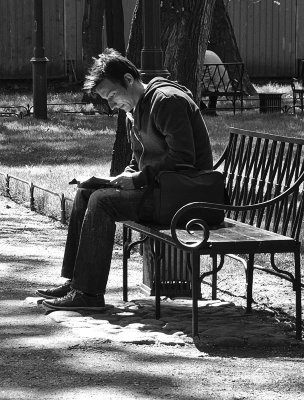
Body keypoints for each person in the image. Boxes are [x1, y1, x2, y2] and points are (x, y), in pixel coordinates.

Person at [37, 48, 214, 311]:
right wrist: (123, 176)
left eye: (112, 95)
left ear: (129, 80)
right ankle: (76, 282)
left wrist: (139, 178)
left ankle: (88, 294)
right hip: (164, 190)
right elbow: (140, 159)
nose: (111, 105)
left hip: (186, 197)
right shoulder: (137, 107)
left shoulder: (166, 101)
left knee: (102, 202)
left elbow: (183, 159)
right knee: (86, 192)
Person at [200, 49, 230, 116]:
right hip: (224, 84)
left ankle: (204, 109)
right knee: (214, 82)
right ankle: (211, 109)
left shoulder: (199, 56)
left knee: (189, 89)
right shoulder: (210, 53)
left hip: (212, 85)